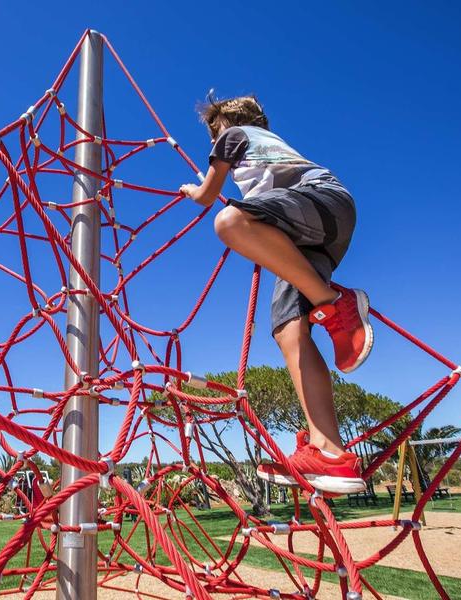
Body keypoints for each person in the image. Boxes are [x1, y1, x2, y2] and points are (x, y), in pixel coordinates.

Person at [179, 94, 371, 495]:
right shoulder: (263, 146)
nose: (215, 138)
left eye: (215, 131)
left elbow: (207, 195)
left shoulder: (236, 136)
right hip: (303, 236)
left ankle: (336, 305)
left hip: (319, 201)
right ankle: (330, 452)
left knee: (230, 222)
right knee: (287, 330)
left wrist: (191, 189)